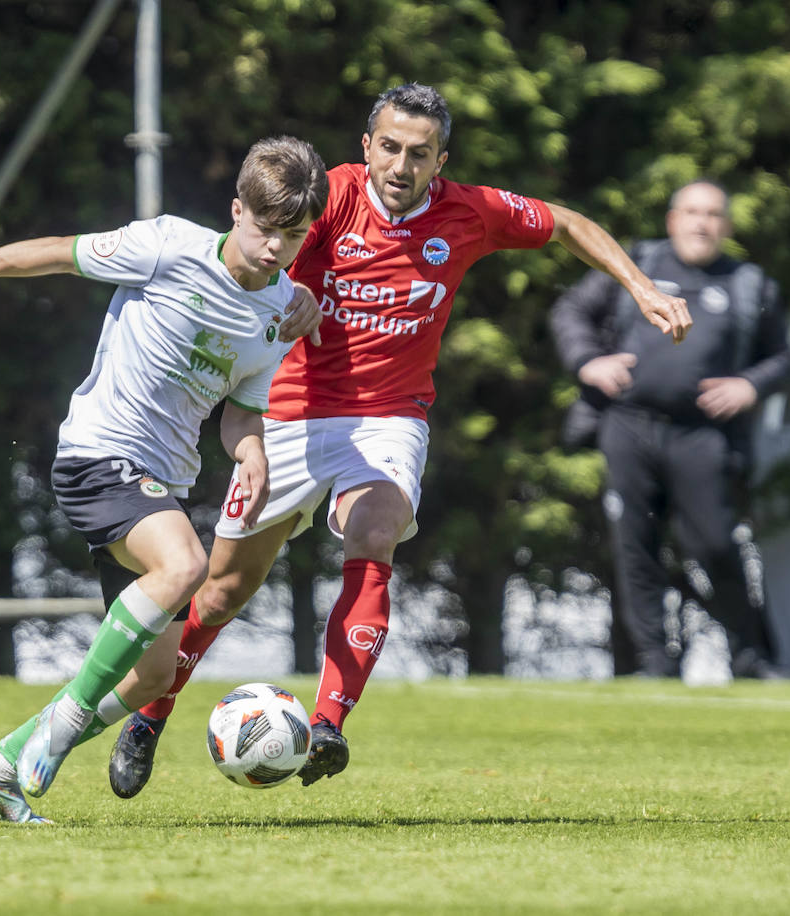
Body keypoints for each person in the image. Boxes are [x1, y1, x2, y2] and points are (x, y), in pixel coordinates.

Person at [103, 81, 694, 798]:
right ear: (367, 146)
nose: (401, 165)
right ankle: (149, 717)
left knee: (375, 530)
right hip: (288, 411)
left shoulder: (469, 211)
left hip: (389, 417)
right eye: (389, 147)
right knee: (222, 590)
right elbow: (262, 256)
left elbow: (566, 224)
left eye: (419, 153)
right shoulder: (333, 197)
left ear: (441, 158)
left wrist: (642, 289)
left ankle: (326, 725)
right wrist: (290, 296)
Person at [0, 135, 329, 822]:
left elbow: (240, 418)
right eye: (267, 229)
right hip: (99, 454)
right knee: (186, 562)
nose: (276, 248)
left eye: (294, 236)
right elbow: (67, 252)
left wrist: (253, 454)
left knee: (155, 673)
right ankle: (61, 725)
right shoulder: (168, 245)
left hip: (162, 481)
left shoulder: (279, 314)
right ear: (236, 209)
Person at [550, 180, 790, 679]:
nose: (701, 223)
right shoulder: (638, 265)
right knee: (635, 545)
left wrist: (750, 385)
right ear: (672, 219)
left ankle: (752, 657)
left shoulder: (748, 283)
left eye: (712, 214)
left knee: (714, 545)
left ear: (725, 226)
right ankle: (654, 662)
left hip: (703, 435)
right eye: (691, 212)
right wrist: (588, 362)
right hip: (628, 424)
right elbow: (570, 311)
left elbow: (784, 355)